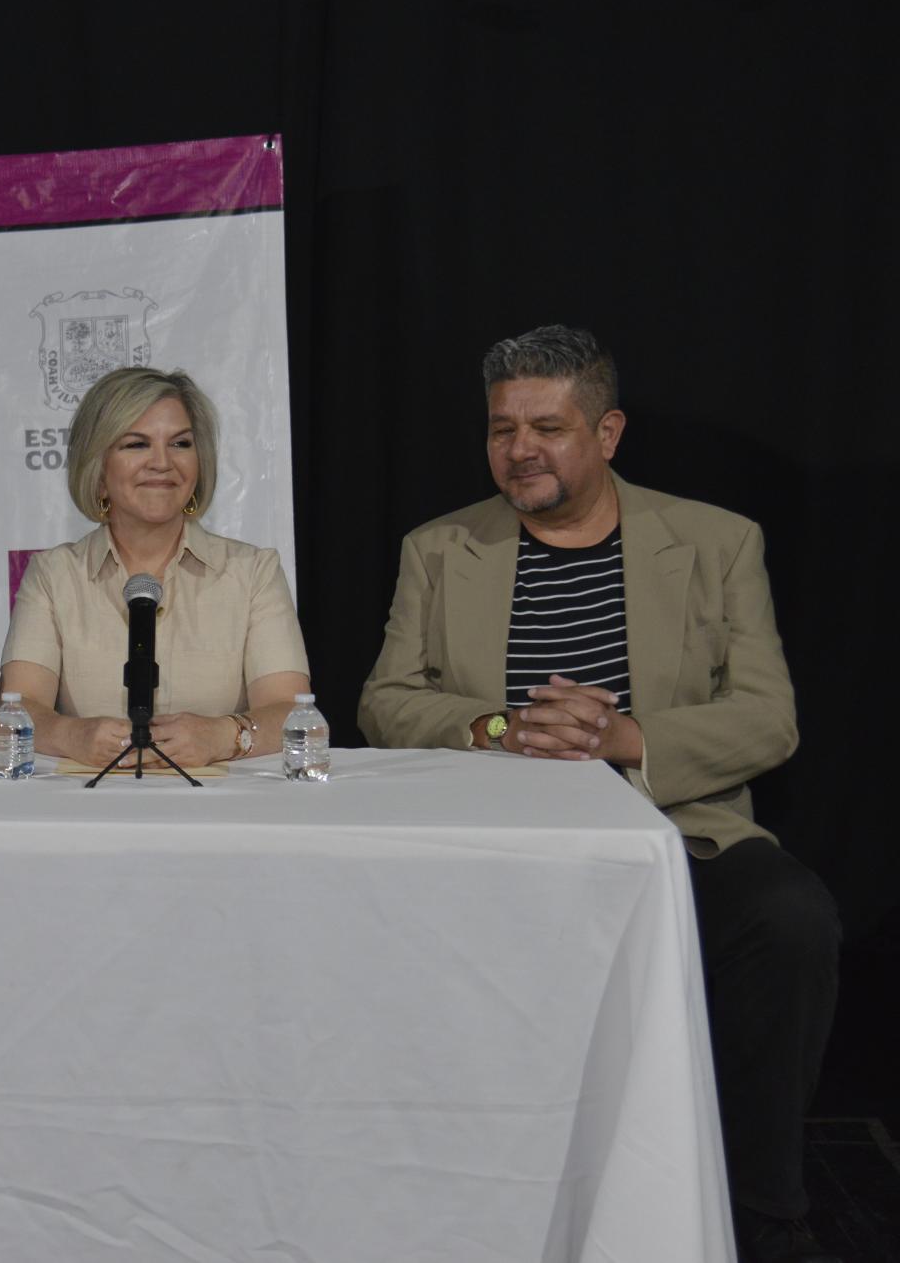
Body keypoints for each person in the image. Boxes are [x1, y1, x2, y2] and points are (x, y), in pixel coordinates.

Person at [358, 325, 840, 1263]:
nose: (519, 449)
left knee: (791, 922)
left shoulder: (715, 541)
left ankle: (762, 1211)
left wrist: (626, 737)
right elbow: (385, 700)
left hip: (674, 835)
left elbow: (769, 719)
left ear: (608, 432)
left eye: (548, 425)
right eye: (502, 429)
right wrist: (500, 728)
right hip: (490, 843)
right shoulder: (439, 546)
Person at [0, 366, 311, 768]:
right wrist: (72, 735)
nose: (162, 463)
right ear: (98, 470)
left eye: (180, 443)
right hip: (87, 806)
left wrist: (225, 735)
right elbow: (17, 711)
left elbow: (290, 710)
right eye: (136, 445)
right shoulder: (53, 575)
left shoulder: (254, 572)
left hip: (221, 808)